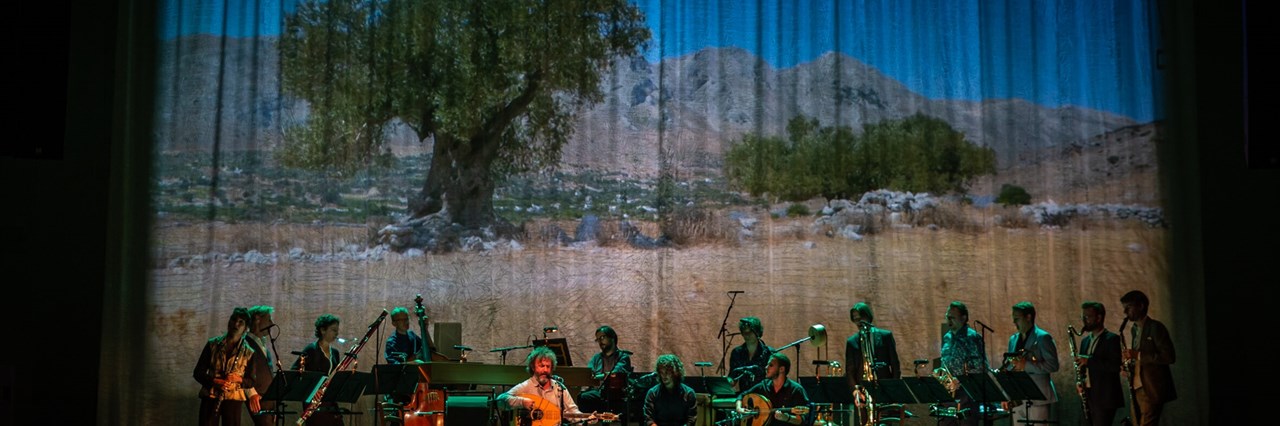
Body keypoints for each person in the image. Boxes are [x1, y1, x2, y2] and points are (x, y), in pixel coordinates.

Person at [193, 307, 261, 426]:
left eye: (241, 322)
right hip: (211, 396)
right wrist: (214, 381)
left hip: (233, 400)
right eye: (233, 319)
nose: (235, 324)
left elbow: (251, 381)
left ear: (246, 329)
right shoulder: (212, 344)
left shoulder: (250, 353)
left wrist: (238, 379)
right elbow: (198, 372)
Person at [498, 346, 598, 425]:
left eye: (548, 366)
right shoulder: (526, 386)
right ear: (533, 367)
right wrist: (522, 402)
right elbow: (500, 400)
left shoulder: (559, 388)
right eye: (541, 366)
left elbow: (573, 413)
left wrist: (586, 420)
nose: (545, 370)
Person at [1121, 290, 1176, 426]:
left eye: (1128, 307)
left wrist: (1137, 355)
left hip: (1151, 388)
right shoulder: (1135, 329)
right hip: (1137, 386)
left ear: (1141, 306)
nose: (1125, 312)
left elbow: (1169, 357)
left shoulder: (1156, 327)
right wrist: (1128, 365)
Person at [1002, 301, 1059, 424]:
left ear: (1028, 317)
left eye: (1017, 318)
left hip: (1037, 398)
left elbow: (1053, 365)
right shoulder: (1013, 339)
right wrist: (1007, 394)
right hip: (1017, 398)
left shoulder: (1043, 337)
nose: (1014, 322)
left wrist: (1026, 365)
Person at [845, 302, 902, 425]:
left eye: (860, 318)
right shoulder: (852, 342)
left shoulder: (885, 336)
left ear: (868, 316)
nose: (858, 322)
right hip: (863, 391)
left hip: (883, 388)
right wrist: (855, 392)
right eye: (855, 319)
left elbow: (895, 364)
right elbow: (849, 371)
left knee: (885, 422)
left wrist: (893, 388)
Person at [938, 301, 987, 426]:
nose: (948, 320)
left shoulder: (973, 337)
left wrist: (959, 380)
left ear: (963, 318)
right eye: (947, 317)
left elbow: (981, 367)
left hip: (966, 394)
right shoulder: (947, 337)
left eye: (952, 317)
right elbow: (945, 362)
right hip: (949, 395)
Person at [1076, 301, 1124, 426]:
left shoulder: (1112, 339)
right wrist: (1079, 381)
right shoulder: (1085, 341)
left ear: (1099, 317)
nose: (1084, 320)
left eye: (1088, 317)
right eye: (1083, 317)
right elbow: (1082, 368)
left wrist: (1088, 361)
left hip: (1105, 397)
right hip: (1089, 394)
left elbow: (1114, 366)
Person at [291, 314, 344, 426]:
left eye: (337, 330)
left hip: (330, 401)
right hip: (313, 401)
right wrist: (313, 389)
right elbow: (296, 371)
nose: (337, 334)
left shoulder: (335, 353)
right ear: (323, 330)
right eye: (333, 330)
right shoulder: (311, 349)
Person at [734, 352, 810, 426]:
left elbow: (801, 420)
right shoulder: (764, 385)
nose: (766, 367)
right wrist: (739, 408)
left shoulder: (796, 390)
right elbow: (742, 395)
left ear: (781, 369)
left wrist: (787, 418)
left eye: (770, 365)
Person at [578, 325, 635, 415]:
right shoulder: (596, 358)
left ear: (612, 338)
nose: (600, 341)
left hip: (616, 395)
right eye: (598, 339)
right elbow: (588, 373)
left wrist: (597, 377)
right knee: (581, 396)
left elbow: (615, 374)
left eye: (602, 337)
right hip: (598, 393)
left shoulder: (623, 356)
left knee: (585, 397)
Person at [244, 305, 278, 426]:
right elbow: (241, 369)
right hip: (258, 398)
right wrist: (251, 393)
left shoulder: (262, 343)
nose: (271, 323)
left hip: (268, 398)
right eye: (268, 319)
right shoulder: (246, 342)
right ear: (257, 319)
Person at [643, 354, 698, 426]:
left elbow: (691, 420)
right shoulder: (652, 393)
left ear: (676, 372)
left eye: (667, 372)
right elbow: (648, 419)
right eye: (661, 372)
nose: (664, 376)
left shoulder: (689, 393)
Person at [729, 316, 773, 392]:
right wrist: (724, 383)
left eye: (750, 332)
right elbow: (733, 377)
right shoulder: (737, 352)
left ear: (758, 332)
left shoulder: (769, 353)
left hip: (764, 396)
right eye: (744, 332)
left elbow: (773, 379)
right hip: (744, 396)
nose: (747, 335)